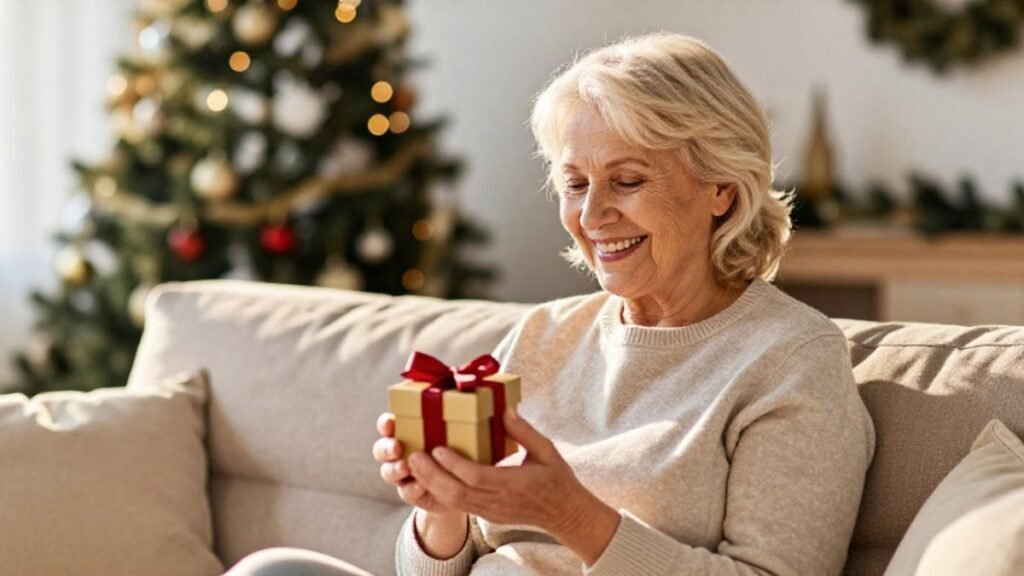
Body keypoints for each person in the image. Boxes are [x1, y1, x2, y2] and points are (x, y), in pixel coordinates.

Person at [227, 31, 875, 576]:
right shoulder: (545, 335)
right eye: (574, 183)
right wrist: (442, 506)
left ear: (722, 193)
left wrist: (570, 514)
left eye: (627, 180)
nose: (592, 215)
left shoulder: (792, 361)